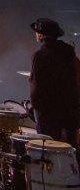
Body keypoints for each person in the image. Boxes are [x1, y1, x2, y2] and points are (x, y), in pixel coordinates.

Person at [29, 18, 80, 146]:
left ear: (42, 35)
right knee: (69, 149)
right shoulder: (69, 53)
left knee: (48, 149)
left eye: (36, 32)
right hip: (70, 110)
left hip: (48, 113)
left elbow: (37, 87)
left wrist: (34, 106)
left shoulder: (40, 56)